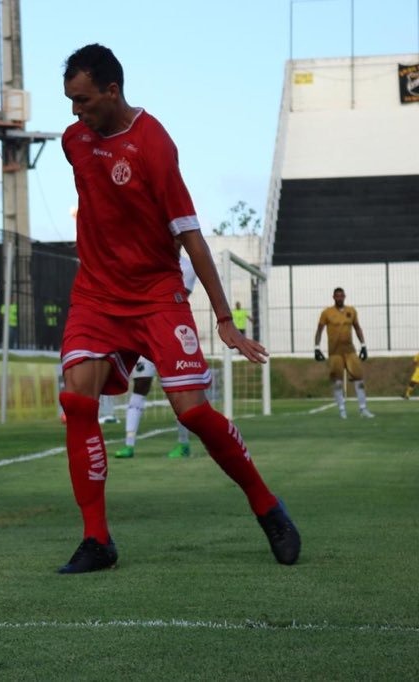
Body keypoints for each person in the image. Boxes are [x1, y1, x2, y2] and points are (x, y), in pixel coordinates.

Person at [55, 44, 299, 574]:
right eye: (70, 101)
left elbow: (190, 236)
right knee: (77, 399)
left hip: (155, 295)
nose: (76, 112)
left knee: (193, 412)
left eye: (83, 100)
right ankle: (97, 540)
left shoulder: (154, 146)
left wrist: (224, 319)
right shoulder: (73, 141)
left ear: (112, 91)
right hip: (96, 295)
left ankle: (267, 505)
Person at [114, 254, 197, 460]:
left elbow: (177, 296)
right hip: (146, 332)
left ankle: (184, 443)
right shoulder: (147, 257)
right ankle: (129, 445)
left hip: (172, 333)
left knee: (179, 391)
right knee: (140, 386)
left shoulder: (187, 266)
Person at [314, 287, 374, 419]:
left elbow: (357, 328)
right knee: (337, 382)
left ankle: (363, 409)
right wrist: (316, 347)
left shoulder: (351, 311)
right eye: (337, 296)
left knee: (359, 379)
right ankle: (342, 410)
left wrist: (363, 345)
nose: (339, 298)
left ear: (345, 296)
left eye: (341, 296)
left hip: (350, 351)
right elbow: (319, 330)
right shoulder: (326, 312)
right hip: (335, 352)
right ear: (333, 297)